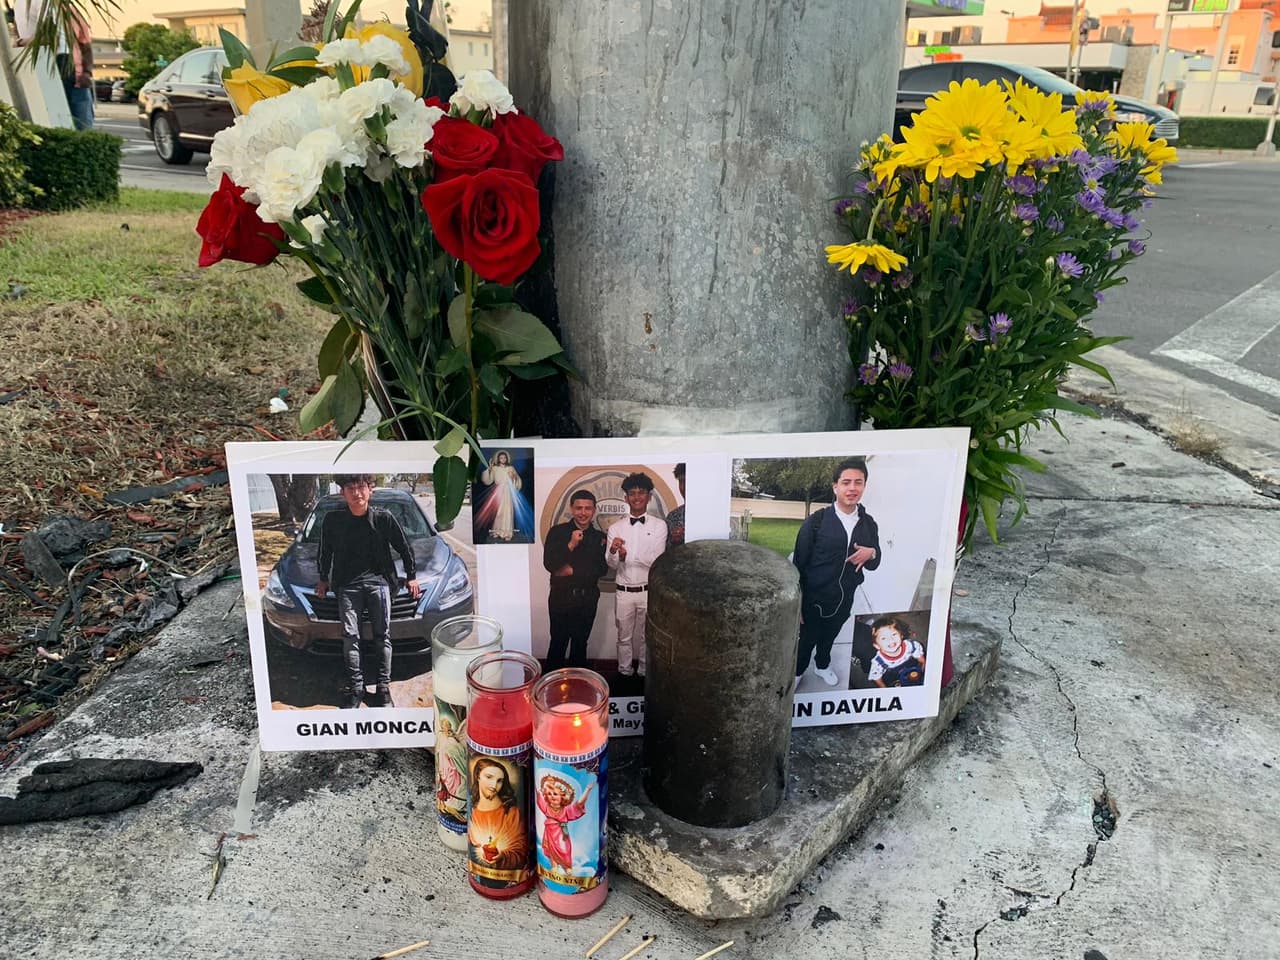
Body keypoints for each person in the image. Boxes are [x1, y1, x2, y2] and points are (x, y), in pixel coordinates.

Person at [315, 474, 419, 709]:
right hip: (347, 586)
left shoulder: (383, 518)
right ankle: (357, 688)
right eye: (350, 488)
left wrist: (411, 576)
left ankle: (383, 689)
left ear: (370, 490)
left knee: (382, 636)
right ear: (343, 492)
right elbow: (325, 552)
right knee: (351, 637)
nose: (356, 493)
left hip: (379, 584)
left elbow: (404, 547)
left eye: (361, 487)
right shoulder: (333, 520)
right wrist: (323, 579)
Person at [792, 458, 881, 687]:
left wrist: (871, 552)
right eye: (846, 482)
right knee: (807, 640)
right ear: (835, 487)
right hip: (814, 598)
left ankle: (822, 666)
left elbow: (875, 562)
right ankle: (798, 671)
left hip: (844, 599)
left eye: (858, 482)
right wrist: (799, 602)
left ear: (864, 486)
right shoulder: (816, 522)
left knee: (829, 637)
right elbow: (798, 565)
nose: (852, 488)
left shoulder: (869, 524)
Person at [605, 472, 667, 678]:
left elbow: (656, 561)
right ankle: (624, 672)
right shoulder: (615, 527)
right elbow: (611, 564)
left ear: (649, 497)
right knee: (623, 636)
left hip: (648, 591)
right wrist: (615, 552)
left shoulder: (660, 526)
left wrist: (628, 554)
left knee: (646, 637)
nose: (637, 497)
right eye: (632, 493)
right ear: (626, 498)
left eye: (642, 493)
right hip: (623, 591)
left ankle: (643, 674)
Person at [542, 489, 608, 670]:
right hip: (560, 597)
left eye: (588, 508)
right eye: (579, 508)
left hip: (588, 598)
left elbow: (601, 568)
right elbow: (550, 564)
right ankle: (550, 691)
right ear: (571, 509)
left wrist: (572, 570)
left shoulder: (600, 538)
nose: (583, 512)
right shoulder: (557, 532)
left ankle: (578, 690)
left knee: (580, 645)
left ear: (594, 510)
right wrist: (570, 545)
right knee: (558, 643)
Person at [13, 0, 96, 130]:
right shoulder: (25, 4)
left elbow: (82, 42)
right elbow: (50, 36)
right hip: (53, 61)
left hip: (63, 63)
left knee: (77, 119)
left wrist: (87, 73)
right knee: (75, 120)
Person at [468, 758, 529, 872]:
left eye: (499, 780)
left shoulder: (510, 813)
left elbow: (521, 851)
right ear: (478, 776)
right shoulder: (473, 809)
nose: (494, 785)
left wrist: (503, 855)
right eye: (489, 777)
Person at [536, 774, 594, 873]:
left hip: (561, 833)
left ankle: (567, 866)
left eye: (555, 794)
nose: (552, 796)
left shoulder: (566, 810)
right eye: (549, 794)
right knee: (550, 849)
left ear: (562, 797)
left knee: (565, 849)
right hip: (549, 832)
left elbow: (579, 804)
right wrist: (539, 789)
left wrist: (587, 790)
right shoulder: (547, 808)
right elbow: (539, 795)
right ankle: (554, 865)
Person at [867, 616, 926, 688]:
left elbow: (922, 661)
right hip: (896, 682)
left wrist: (921, 674)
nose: (890, 640)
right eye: (883, 638)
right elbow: (877, 679)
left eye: (894, 634)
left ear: (901, 635)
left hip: (913, 673)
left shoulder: (912, 646)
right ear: (877, 646)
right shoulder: (878, 662)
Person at [479, 450, 523, 542]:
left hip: (508, 491)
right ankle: (497, 531)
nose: (503, 459)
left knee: (508, 512)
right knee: (498, 512)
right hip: (498, 491)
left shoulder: (511, 468)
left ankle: (507, 533)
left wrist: (513, 477)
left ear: (507, 458)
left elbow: (517, 480)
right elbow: (488, 480)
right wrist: (490, 469)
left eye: (504, 457)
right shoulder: (495, 468)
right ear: (498, 459)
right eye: (501, 457)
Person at [667, 463, 686, 548]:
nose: (685, 486)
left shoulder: (715, 514)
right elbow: (665, 554)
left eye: (689, 481)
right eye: (681, 481)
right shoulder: (672, 517)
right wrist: (674, 541)